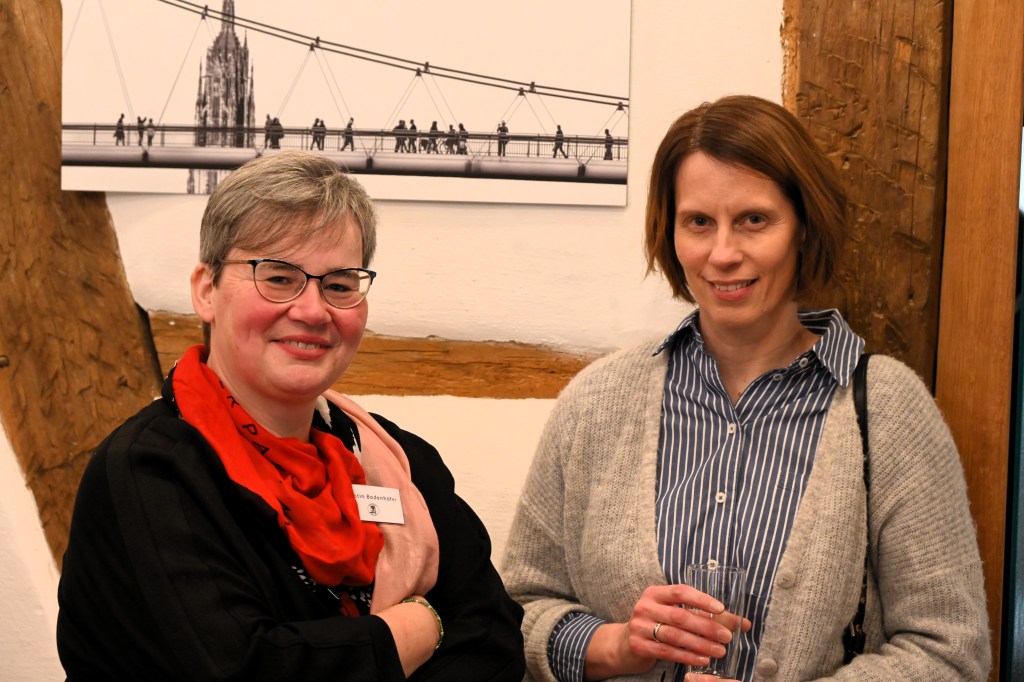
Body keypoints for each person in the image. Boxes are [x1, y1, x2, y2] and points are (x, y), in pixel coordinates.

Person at [502, 95, 989, 681]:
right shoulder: (597, 403)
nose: (723, 254)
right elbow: (516, 611)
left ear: (804, 227)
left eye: (754, 220)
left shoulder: (887, 412)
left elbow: (950, 652)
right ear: (669, 231)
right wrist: (614, 644)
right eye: (698, 222)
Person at [57, 151, 526, 681]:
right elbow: (246, 670)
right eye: (278, 277)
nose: (312, 310)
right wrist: (421, 625)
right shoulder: (149, 473)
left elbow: (495, 638)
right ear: (206, 291)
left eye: (340, 284)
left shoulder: (398, 459)